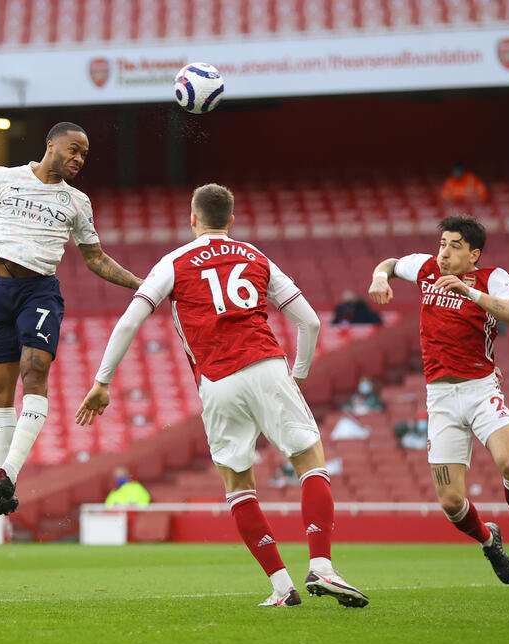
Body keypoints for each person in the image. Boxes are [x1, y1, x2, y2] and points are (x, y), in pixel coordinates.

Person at [76, 183, 369, 608]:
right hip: (266, 365)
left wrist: (102, 381)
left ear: (193, 219)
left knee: (238, 485)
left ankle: (281, 586)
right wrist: (298, 375)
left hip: (216, 381)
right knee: (310, 462)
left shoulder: (174, 261)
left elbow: (129, 321)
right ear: (231, 220)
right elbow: (309, 322)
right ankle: (321, 565)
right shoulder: (255, 255)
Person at [0, 122, 143, 528]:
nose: (79, 158)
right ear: (51, 145)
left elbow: (95, 258)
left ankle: (6, 473)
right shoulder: (2, 178)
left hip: (39, 293)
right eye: (73, 149)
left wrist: (140, 283)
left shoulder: (76, 201)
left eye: (84, 154)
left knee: (34, 372)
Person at [368, 215, 509, 584]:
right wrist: (378, 278)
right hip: (440, 399)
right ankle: (489, 541)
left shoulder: (492, 278)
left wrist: (469, 292)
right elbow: (390, 264)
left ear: (473, 255)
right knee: (451, 503)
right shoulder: (425, 268)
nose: (444, 253)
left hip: (480, 390)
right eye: (442, 244)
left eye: (455, 247)